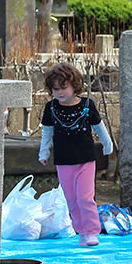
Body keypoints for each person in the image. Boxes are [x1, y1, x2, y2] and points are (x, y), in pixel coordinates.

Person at [37, 63, 114, 246]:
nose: (60, 92)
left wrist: (108, 144)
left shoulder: (87, 105)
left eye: (64, 87)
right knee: (71, 200)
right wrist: (44, 152)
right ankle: (81, 231)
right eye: (55, 89)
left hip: (86, 160)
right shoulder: (51, 108)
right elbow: (47, 132)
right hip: (63, 161)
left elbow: (99, 127)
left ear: (75, 85)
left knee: (85, 197)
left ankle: (92, 231)